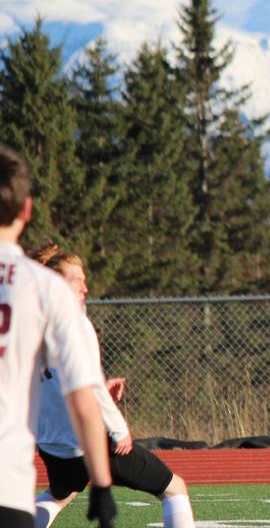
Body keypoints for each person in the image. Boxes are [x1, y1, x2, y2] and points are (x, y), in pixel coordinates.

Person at [30, 243, 197, 528]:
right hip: (89, 443)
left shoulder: (33, 322)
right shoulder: (74, 323)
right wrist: (119, 429)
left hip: (50, 445)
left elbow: (58, 380)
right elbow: (89, 386)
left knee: (58, 496)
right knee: (174, 489)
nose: (85, 289)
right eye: (78, 282)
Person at [0, 144, 116, 528]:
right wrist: (100, 482)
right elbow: (82, 395)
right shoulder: (47, 288)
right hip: (8, 481)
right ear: (27, 209)